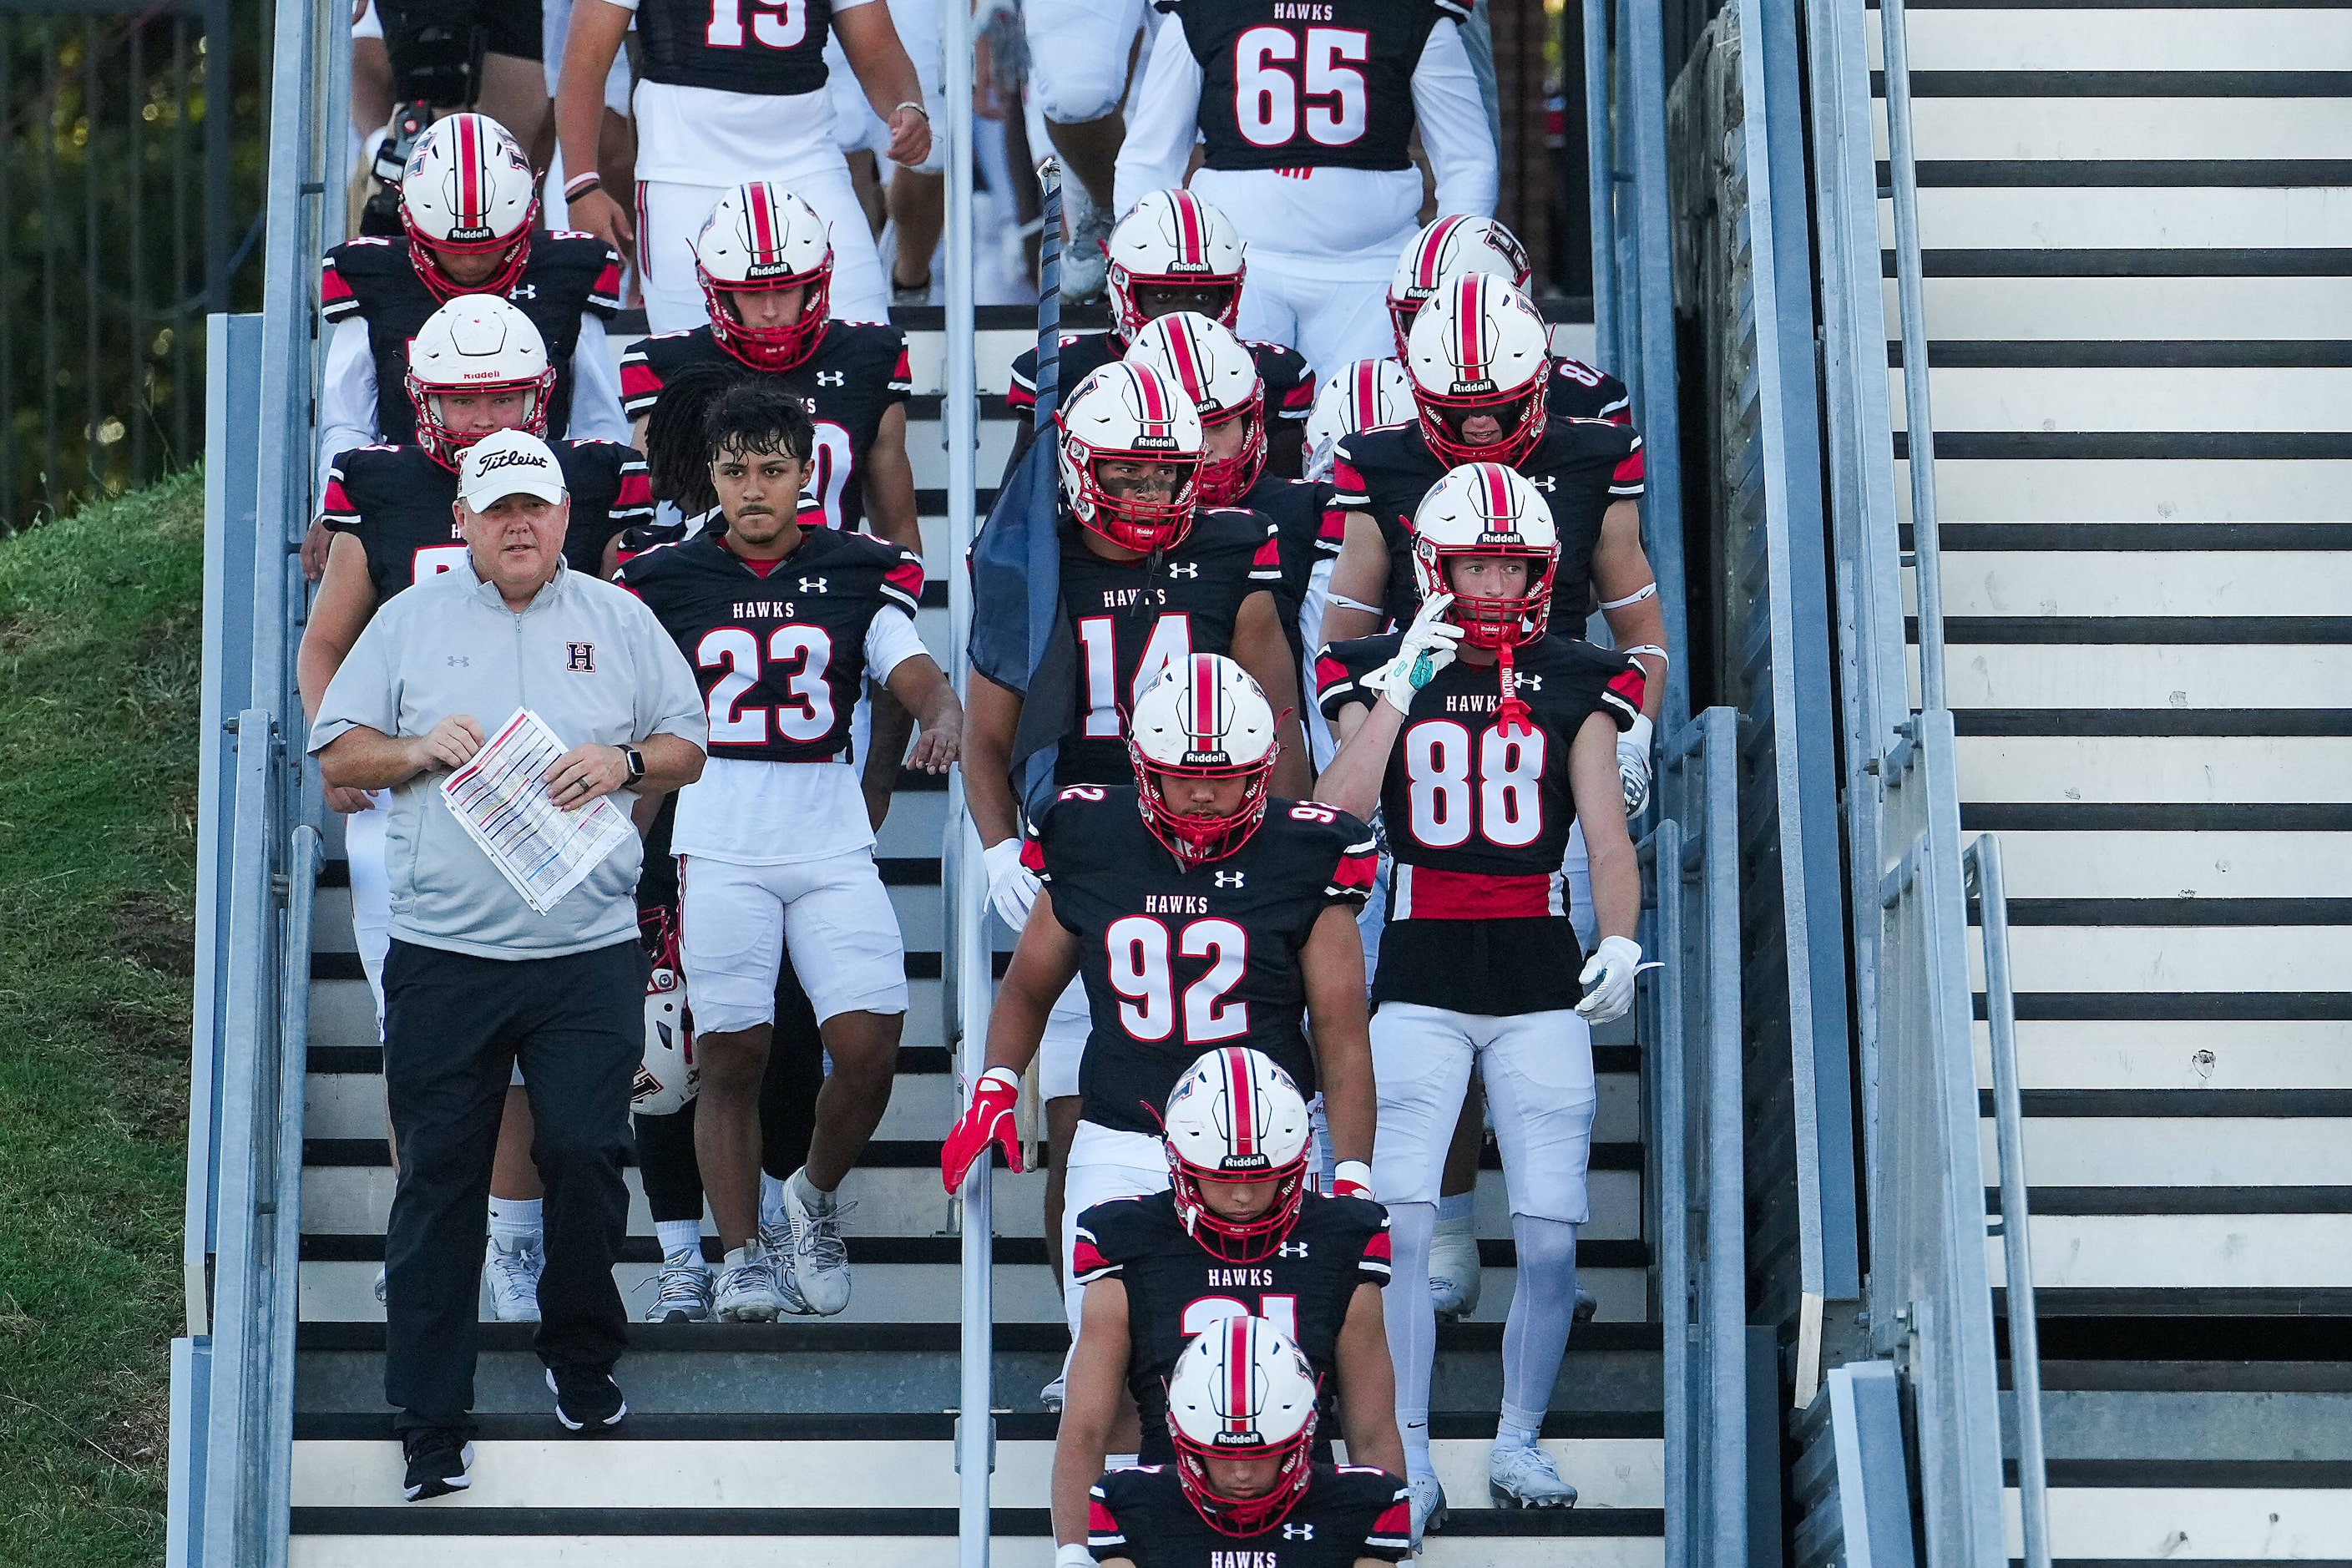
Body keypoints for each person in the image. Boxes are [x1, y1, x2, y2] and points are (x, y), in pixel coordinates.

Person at [308, 429, 708, 1503]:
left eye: (536, 506)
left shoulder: (619, 618)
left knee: (585, 1149)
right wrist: (416, 751)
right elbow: (339, 751)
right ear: (463, 525)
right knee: (439, 1183)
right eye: (497, 511)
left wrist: (624, 762)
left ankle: (579, 1355)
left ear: (567, 516)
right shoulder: (407, 621)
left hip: (584, 950)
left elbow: (688, 742)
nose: (519, 524)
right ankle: (430, 1422)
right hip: (446, 954)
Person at [963, 363, 1314, 1385]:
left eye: (1168, 475)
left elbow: (1278, 716)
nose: (1155, 496)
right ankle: (1094, 1349)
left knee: (1233, 1111)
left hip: (1221, 834)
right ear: (1076, 466)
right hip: (1089, 844)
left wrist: (1289, 841)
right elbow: (987, 737)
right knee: (1082, 1118)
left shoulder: (1230, 549)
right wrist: (997, 848)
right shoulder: (1039, 557)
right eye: (1130, 473)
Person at [301, 300, 653, 1322]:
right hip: (422, 805)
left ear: (540, 394)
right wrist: (337, 739)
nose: (487, 413)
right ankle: (447, 1235)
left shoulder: (577, 481)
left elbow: (627, 637)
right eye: (464, 396)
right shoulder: (386, 487)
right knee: (421, 1041)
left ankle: (519, 1237)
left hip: (557, 801)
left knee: (560, 1058)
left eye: (506, 393)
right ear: (421, 398)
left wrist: (624, 782)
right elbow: (326, 644)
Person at [1313, 463, 1647, 1534]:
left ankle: (1517, 1433)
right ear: (1433, 566)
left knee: (1550, 1238)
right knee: (1401, 1233)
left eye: (1515, 562)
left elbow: (1605, 834)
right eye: (1476, 562)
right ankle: (1404, 1449)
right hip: (1417, 970)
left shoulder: (1581, 676)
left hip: (1539, 971)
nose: (1498, 583)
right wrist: (1405, 684)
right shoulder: (1374, 668)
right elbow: (1334, 815)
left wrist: (1624, 937)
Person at [616, 379, 964, 1319]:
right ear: (712, 480)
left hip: (826, 832)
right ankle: (739, 1257)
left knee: (870, 1044)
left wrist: (934, 716)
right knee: (732, 1053)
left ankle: (807, 1198)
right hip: (719, 834)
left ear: (807, 473)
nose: (755, 489)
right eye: (737, 471)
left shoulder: (859, 568)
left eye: (773, 469)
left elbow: (905, 664)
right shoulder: (665, 576)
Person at [948, 654, 1369, 1410]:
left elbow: (1341, 1037)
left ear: (1263, 766)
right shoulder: (1087, 832)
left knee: (1260, 1387)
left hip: (1264, 1154)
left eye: (1228, 773)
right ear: (1142, 763)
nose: (1205, 793)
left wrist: (1353, 1173)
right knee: (1108, 1377)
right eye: (1182, 773)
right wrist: (993, 1088)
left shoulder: (1307, 852)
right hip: (1123, 1137)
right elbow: (1027, 989)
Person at [1049, 1046, 1404, 1550]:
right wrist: (1075, 1555)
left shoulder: (1341, 1240)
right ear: (1178, 1158)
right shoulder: (1127, 1238)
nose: (1241, 1196)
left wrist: (1391, 1545)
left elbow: (1372, 1430)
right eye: (1222, 1175)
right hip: (1172, 1506)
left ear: (1296, 1160)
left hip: (1308, 1510)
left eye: (1259, 1176)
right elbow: (1084, 1429)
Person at [1111, 0, 1496, 375]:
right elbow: (1150, 157)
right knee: (1227, 425)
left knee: (1366, 422)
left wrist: (1453, 269)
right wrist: (1142, 262)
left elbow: (1466, 159)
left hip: (1373, 267)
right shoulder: (1201, 12)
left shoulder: (1415, 13)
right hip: (1235, 269)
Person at [316, 113, 629, 513]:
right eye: (451, 248)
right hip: (410, 493)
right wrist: (334, 507)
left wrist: (601, 512)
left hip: (538, 497)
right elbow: (350, 425)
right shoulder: (371, 277)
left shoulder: (566, 273)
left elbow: (597, 422)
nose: (469, 265)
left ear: (525, 219)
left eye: (488, 247)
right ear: (408, 221)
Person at [554, 0, 931, 331]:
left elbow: (877, 48)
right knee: (694, 377)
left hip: (808, 166)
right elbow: (586, 57)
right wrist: (581, 185)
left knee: (863, 350)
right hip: (683, 176)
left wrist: (906, 105)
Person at [618, 182, 923, 554]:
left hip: (834, 586)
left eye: (786, 289)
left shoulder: (868, 357)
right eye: (752, 292)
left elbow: (896, 526)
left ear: (816, 282)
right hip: (710, 588)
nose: (770, 311)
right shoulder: (673, 366)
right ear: (719, 290)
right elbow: (631, 518)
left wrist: (898, 603)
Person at [1004, 190, 1313, 481]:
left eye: (1202, 299)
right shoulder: (1063, 369)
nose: (1182, 315)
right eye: (1164, 296)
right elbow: (1020, 509)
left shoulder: (1271, 372)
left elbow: (1279, 496)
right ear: (1120, 286)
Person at [1081, 1315, 1413, 1568]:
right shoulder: (1128, 1504)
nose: (1241, 1473)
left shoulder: (1368, 1503)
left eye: (1261, 1454)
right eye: (1221, 1454)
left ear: (1305, 1432)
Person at [1384, 214, 1631, 425]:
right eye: (1413, 319)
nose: (1425, 337)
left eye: (1451, 321)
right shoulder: (1384, 392)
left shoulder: (1583, 399)